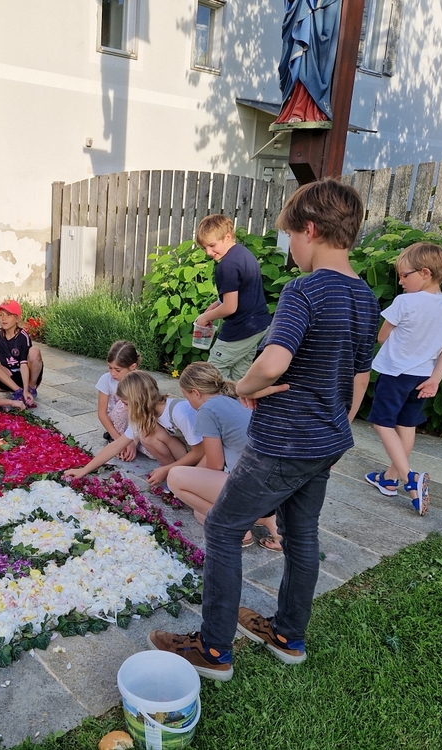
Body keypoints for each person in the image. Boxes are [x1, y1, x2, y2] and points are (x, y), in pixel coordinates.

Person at [149, 179, 380, 683]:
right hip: (326, 441)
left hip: (283, 442)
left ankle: (213, 650)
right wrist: (336, 424)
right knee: (301, 534)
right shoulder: (366, 297)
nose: (289, 248)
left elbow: (273, 362)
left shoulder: (304, 290)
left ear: (310, 230)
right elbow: (360, 376)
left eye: (290, 236)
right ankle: (288, 637)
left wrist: (241, 386)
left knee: (223, 527)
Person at [364, 242, 442, 516]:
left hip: (396, 374)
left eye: (405, 275)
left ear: (425, 272)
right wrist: (436, 379)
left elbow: (382, 337)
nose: (400, 281)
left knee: (382, 423)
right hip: (424, 376)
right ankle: (389, 479)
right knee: (406, 425)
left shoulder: (404, 302)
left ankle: (409, 478)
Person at [167, 362, 283, 551]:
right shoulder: (233, 397)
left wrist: (189, 483)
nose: (189, 403)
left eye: (187, 397)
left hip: (254, 487)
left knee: (174, 477)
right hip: (276, 485)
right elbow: (215, 454)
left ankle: (237, 529)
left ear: (195, 393)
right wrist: (194, 477)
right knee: (199, 513)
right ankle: (270, 521)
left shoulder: (207, 410)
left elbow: (215, 465)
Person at [65, 371, 202, 481]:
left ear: (139, 401)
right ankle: (173, 473)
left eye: (126, 403)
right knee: (146, 434)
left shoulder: (178, 411)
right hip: (184, 452)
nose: (124, 409)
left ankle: (174, 473)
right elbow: (116, 446)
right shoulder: (144, 414)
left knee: (149, 433)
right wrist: (83, 470)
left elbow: (199, 452)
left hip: (201, 457)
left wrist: (166, 470)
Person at [193, 215, 272, 381]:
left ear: (227, 237)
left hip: (240, 329)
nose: (208, 252)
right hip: (258, 325)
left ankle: (218, 399)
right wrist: (215, 306)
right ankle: (237, 398)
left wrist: (205, 317)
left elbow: (230, 307)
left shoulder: (227, 266)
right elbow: (242, 291)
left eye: (212, 245)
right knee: (239, 376)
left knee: (214, 372)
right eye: (204, 248)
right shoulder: (243, 254)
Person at [0, 299, 43, 407]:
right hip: (9, 377)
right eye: (1, 315)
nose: (3, 318)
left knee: (34, 351)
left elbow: (24, 364)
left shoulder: (23, 336)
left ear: (17, 318)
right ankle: (17, 391)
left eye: (8, 315)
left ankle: (30, 389)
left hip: (25, 376)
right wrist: (1, 381)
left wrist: (26, 389)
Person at [96, 340, 140, 459]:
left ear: (132, 366)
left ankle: (132, 443)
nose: (112, 373)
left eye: (117, 370)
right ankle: (117, 440)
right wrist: (119, 441)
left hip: (136, 426)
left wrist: (133, 441)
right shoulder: (106, 380)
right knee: (123, 405)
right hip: (117, 424)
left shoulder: (140, 381)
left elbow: (143, 413)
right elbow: (102, 413)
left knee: (151, 451)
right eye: (110, 368)